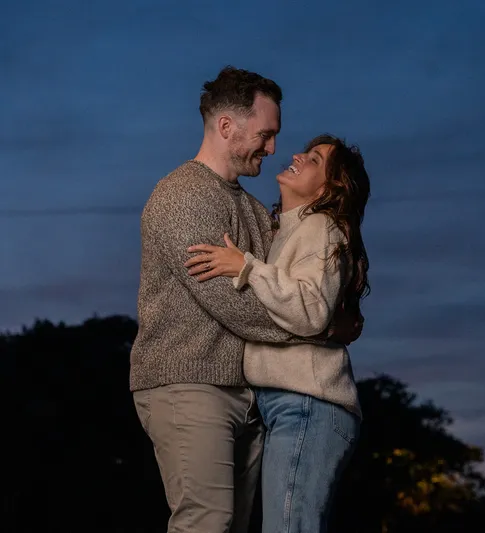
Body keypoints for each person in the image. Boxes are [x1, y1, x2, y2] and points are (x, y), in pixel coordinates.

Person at [129, 67, 360, 533]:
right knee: (206, 521)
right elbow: (232, 305)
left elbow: (303, 283)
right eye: (265, 134)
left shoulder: (256, 210)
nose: (273, 148)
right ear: (227, 126)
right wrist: (318, 331)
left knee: (234, 527)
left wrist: (327, 313)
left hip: (248, 395)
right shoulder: (183, 197)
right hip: (188, 381)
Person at [183, 133, 371, 533]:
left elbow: (310, 311)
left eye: (316, 160)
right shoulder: (286, 229)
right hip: (286, 404)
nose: (297, 156)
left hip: (309, 403)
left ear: (330, 187)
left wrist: (245, 267)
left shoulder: (321, 226)